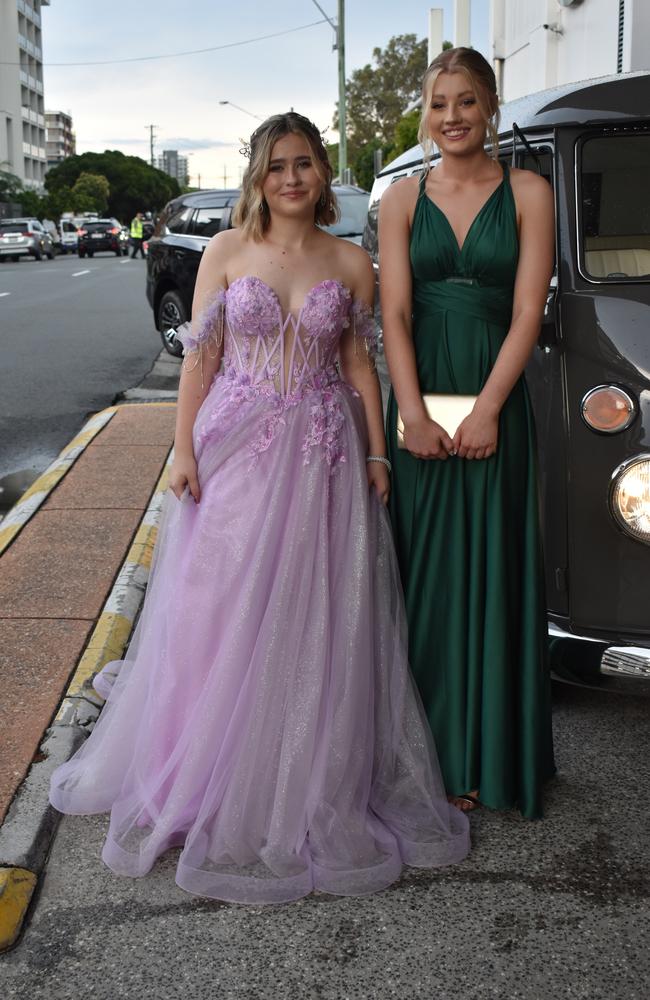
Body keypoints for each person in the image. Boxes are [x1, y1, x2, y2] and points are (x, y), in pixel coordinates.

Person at [50, 112, 469, 903]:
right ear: (259, 175)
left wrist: (379, 453)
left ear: (321, 174)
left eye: (305, 164)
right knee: (220, 604)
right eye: (278, 165)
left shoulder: (350, 260)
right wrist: (182, 451)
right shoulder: (225, 251)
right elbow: (201, 359)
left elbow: (355, 362)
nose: (291, 178)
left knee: (311, 615)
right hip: (233, 448)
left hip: (322, 456)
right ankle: (205, 768)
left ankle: (295, 776)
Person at [379, 48, 556, 819]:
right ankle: (426, 762)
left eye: (467, 102)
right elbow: (391, 314)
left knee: (493, 566)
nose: (452, 117)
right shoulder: (397, 199)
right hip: (422, 399)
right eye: (439, 103)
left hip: (495, 391)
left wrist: (486, 409)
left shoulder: (528, 191)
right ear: (426, 111)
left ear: (491, 106)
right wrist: (411, 414)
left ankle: (489, 756)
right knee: (429, 577)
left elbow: (527, 312)